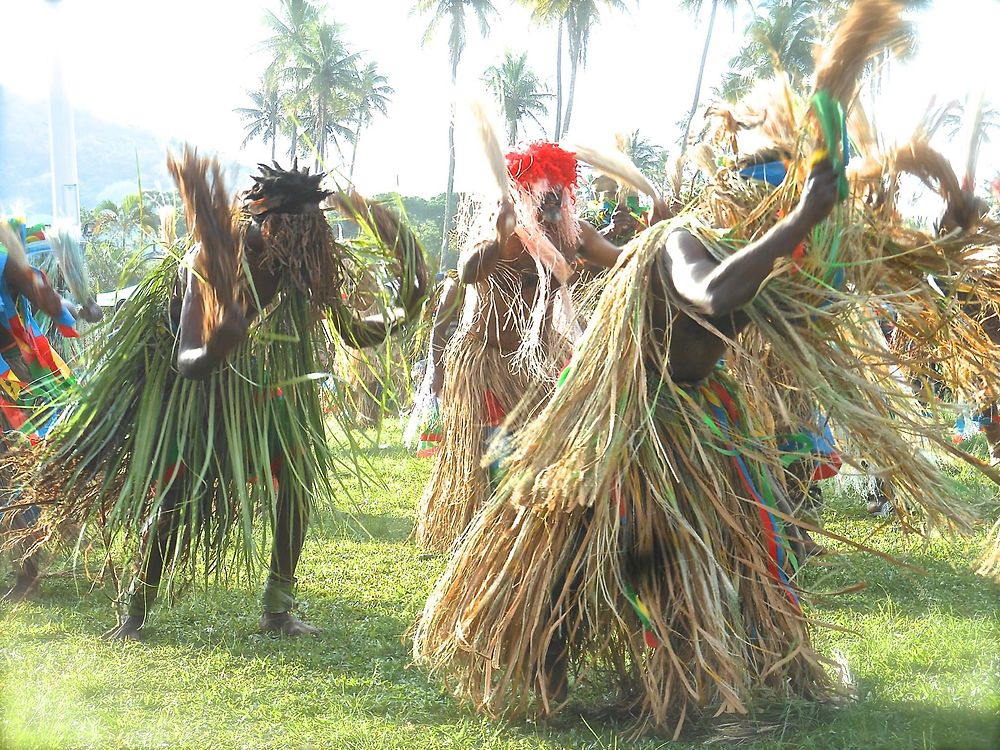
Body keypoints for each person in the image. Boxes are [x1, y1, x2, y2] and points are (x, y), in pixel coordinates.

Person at [13, 154, 427, 638]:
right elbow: (187, 360)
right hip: (201, 401)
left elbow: (352, 332)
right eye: (294, 226)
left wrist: (402, 309)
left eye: (312, 227)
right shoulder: (211, 259)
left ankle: (277, 610)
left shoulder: (302, 260)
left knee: (296, 488)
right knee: (173, 503)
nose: (305, 237)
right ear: (261, 214)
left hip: (267, 396)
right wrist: (221, 343)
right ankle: (135, 613)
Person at [414, 141, 641, 552]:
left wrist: (647, 231)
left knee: (543, 453)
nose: (551, 202)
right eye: (543, 193)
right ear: (523, 192)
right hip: (485, 362)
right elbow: (467, 272)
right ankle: (483, 538)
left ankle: (529, 536)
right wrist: (499, 234)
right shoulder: (501, 231)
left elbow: (624, 260)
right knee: (494, 458)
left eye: (558, 194)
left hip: (538, 364)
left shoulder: (575, 236)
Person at [1, 220, 100, 601]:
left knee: (15, 469)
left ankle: (27, 573)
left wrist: (75, 308)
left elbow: (42, 295)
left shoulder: (6, 256)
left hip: (14, 378)